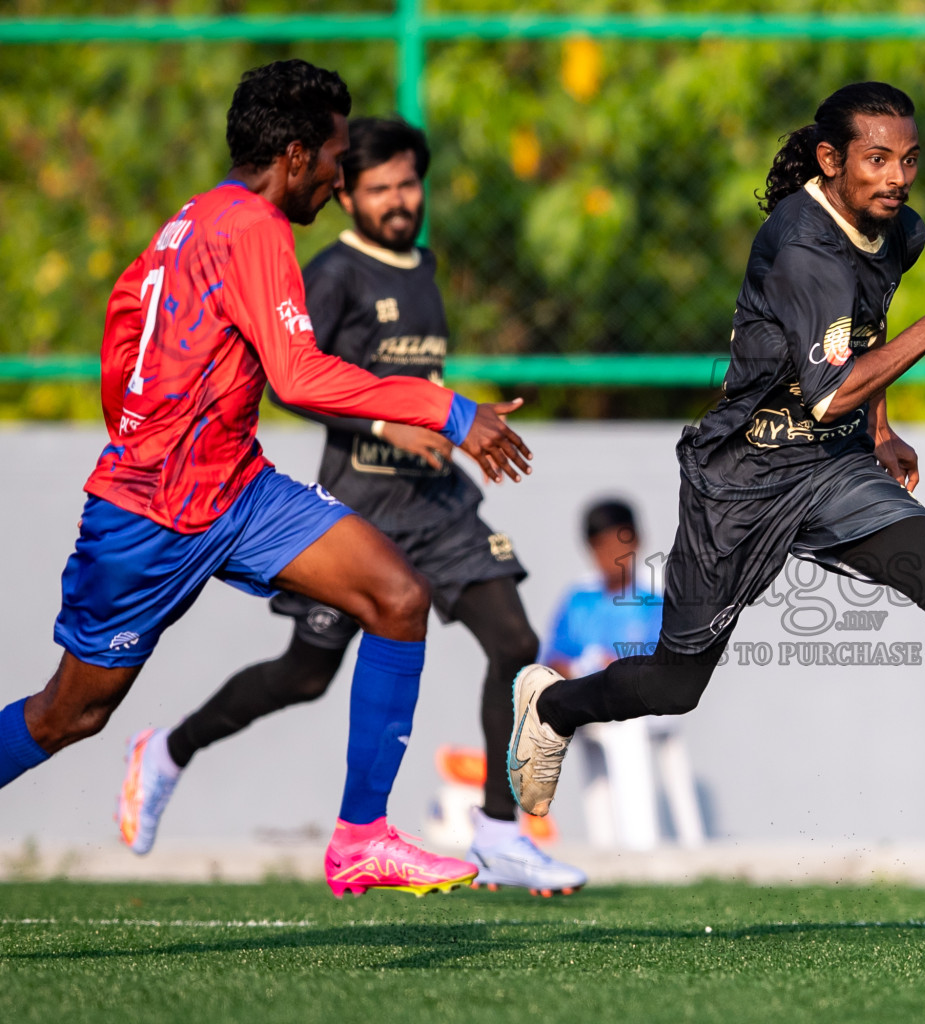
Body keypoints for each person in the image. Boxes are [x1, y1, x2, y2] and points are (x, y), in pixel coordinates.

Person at [505, 82, 925, 877]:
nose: (897, 177)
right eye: (877, 159)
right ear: (830, 159)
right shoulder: (804, 245)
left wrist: (879, 430)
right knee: (676, 686)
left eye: (908, 159)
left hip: (833, 466)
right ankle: (552, 708)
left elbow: (859, 344)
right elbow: (828, 388)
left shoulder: (897, 232)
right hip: (743, 475)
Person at [0, 60, 534, 899]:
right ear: (292, 155)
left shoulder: (191, 220)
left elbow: (122, 328)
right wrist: (451, 412)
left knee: (398, 597)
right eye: (332, 157)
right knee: (70, 713)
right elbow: (301, 376)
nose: (336, 175)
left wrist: (146, 426)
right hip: (148, 517)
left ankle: (362, 836)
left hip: (238, 490)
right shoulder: (252, 228)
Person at [112, 117, 586, 897]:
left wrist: (435, 419)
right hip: (362, 508)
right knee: (304, 675)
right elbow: (286, 377)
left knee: (516, 640)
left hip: (438, 506)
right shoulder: (331, 273)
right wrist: (391, 419)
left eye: (408, 184)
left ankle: (501, 833)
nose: (398, 202)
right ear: (346, 194)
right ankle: (167, 750)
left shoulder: (423, 265)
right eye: (379, 189)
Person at [543, 500, 704, 850]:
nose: (612, 554)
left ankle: (640, 849)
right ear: (590, 550)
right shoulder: (578, 600)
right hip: (591, 705)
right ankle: (602, 848)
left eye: (620, 541)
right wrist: (583, 667)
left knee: (625, 724)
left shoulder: (657, 598)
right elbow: (553, 659)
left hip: (644, 707)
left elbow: (665, 664)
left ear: (636, 541)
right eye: (602, 547)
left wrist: (615, 670)